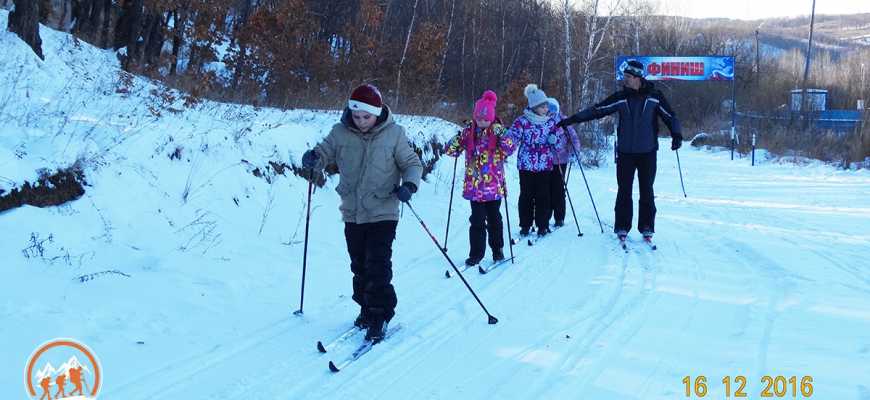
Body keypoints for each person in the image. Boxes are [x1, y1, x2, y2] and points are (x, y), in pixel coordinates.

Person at [301, 83, 423, 342]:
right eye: (356, 116)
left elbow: (412, 163)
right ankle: (365, 308)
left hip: (383, 211)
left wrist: (409, 185)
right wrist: (313, 158)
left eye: (365, 116)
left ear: (377, 113)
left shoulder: (395, 134)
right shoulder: (340, 132)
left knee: (377, 264)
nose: (360, 121)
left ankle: (380, 313)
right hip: (352, 211)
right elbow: (324, 152)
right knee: (358, 264)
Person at [556, 59, 682, 241]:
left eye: (629, 77)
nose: (626, 80)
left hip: (648, 152)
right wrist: (572, 120)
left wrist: (676, 135)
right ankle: (622, 226)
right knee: (624, 190)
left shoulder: (655, 96)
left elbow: (670, 116)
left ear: (638, 77)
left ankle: (647, 226)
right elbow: (597, 110)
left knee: (647, 189)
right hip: (625, 153)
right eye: (625, 76)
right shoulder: (621, 97)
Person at [444, 90, 517, 266]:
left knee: (494, 220)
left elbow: (511, 148)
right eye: (479, 118)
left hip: (494, 186)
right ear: (475, 116)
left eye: (486, 119)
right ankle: (476, 254)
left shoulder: (497, 132)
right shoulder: (469, 132)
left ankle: (497, 249)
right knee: (476, 221)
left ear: (492, 118)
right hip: (475, 187)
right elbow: (450, 151)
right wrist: (459, 136)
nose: (482, 122)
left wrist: (502, 133)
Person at [509, 84, 565, 238]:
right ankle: (525, 225)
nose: (546, 108)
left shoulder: (551, 122)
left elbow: (559, 142)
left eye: (547, 105)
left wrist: (555, 140)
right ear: (534, 107)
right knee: (526, 195)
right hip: (526, 164)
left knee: (543, 196)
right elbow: (512, 138)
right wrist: (505, 147)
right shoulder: (522, 121)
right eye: (543, 106)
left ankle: (542, 224)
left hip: (544, 165)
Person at [545, 97, 581, 228]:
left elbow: (574, 138)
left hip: (561, 160)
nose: (550, 112)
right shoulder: (542, 121)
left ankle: (559, 217)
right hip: (545, 161)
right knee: (546, 190)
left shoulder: (564, 121)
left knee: (559, 189)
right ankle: (545, 216)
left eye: (553, 109)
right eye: (548, 109)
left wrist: (574, 152)